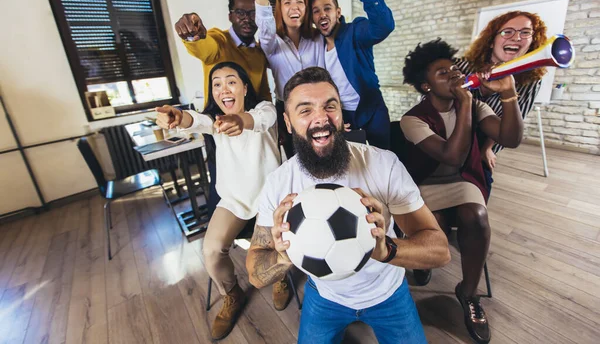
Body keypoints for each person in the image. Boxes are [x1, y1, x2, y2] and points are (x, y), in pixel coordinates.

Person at [246, 67, 451, 344]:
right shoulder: (279, 182)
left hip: (388, 292)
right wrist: (284, 257)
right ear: (288, 121)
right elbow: (256, 274)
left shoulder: (383, 164)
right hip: (325, 297)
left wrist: (386, 249)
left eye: (330, 106)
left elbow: (440, 252)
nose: (321, 118)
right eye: (305, 110)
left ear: (341, 114)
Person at [399, 39, 524, 344]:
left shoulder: (475, 105)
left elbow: (511, 137)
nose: (454, 75)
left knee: (477, 216)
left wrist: (508, 94)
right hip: (424, 186)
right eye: (443, 73)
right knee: (436, 223)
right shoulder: (411, 119)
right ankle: (424, 261)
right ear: (425, 86)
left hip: (463, 180)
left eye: (454, 69)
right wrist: (466, 102)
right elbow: (451, 154)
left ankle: (468, 293)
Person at [155, 62, 280, 341]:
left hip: (270, 201)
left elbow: (258, 121)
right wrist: (177, 116)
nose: (224, 89)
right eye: (217, 84)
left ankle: (280, 277)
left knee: (270, 253)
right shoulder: (215, 122)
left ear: (245, 87)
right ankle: (232, 294)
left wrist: (240, 121)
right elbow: (194, 120)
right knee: (211, 251)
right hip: (234, 200)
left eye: (231, 81)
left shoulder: (265, 109)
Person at [455, 11, 548, 187]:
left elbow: (511, 128)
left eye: (525, 32)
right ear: (491, 41)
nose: (516, 38)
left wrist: (487, 148)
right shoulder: (460, 66)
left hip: (483, 143)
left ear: (532, 42)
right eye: (508, 31)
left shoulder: (531, 80)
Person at [308, 0, 394, 149]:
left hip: (372, 112)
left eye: (327, 8)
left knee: (383, 161)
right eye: (316, 11)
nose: (322, 14)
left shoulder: (354, 31)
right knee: (351, 169)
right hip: (343, 118)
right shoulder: (316, 48)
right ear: (312, 19)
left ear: (338, 12)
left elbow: (384, 25)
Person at [250, 0, 325, 158]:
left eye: (300, 1)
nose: (294, 7)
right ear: (279, 9)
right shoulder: (272, 43)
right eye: (287, 2)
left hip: (319, 105)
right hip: (288, 108)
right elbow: (265, 29)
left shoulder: (318, 38)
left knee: (325, 154)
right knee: (299, 160)